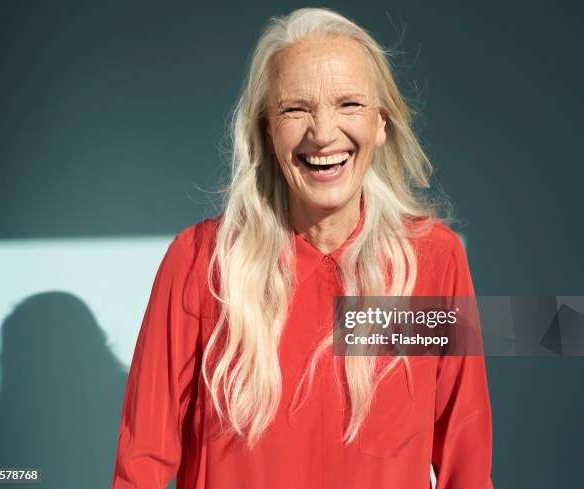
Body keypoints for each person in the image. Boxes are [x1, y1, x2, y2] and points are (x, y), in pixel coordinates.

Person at [111, 7, 494, 489]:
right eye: (296, 109)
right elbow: (140, 466)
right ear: (267, 130)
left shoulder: (431, 262)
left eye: (349, 104)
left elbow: (466, 462)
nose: (323, 132)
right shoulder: (199, 263)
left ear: (382, 123)